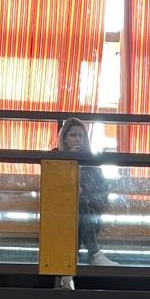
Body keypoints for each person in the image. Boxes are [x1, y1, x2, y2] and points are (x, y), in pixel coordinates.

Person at [55, 118, 116, 275]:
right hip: (59, 214)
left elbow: (100, 191)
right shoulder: (54, 159)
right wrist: (69, 161)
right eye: (73, 135)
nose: (77, 139)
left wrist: (81, 188)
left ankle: (67, 268)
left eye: (81, 136)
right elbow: (53, 186)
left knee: (80, 204)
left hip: (88, 213)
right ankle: (94, 254)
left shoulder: (91, 162)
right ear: (64, 139)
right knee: (77, 204)